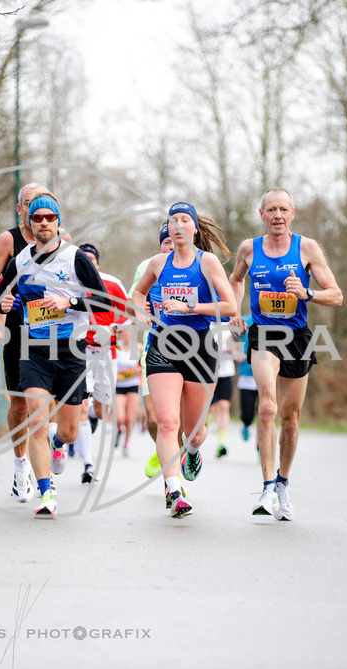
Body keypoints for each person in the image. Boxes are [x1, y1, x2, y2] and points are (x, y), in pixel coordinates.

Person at [228, 188, 343, 521]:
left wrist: (306, 293)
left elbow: (336, 296)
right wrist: (236, 310)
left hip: (297, 336)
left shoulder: (306, 248)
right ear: (261, 214)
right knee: (267, 407)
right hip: (263, 334)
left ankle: (282, 484)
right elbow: (236, 280)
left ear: (293, 213)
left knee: (290, 420)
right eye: (271, 210)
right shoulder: (249, 249)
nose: (277, 215)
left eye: (283, 209)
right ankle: (265, 487)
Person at [0, 194, 109, 518]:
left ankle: (58, 446)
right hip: (34, 350)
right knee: (36, 419)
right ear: (30, 224)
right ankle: (46, 491)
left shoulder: (75, 258)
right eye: (38, 218)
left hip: (72, 351)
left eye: (50, 217)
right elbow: (7, 295)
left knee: (68, 431)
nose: (44, 223)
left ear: (58, 221)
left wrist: (69, 304)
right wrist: (5, 304)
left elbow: (103, 302)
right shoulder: (20, 260)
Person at [133, 203, 236, 518]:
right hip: (164, 345)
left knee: (194, 431)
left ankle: (192, 452)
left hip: (201, 347)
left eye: (184, 219)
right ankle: (174, 490)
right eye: (172, 220)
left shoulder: (208, 262)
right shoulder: (157, 263)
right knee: (166, 422)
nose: (178, 224)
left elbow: (229, 307)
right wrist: (142, 315)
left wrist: (190, 308)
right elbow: (137, 294)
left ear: (194, 230)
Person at [0, 183, 71, 502]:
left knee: (48, 401)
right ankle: (20, 466)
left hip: (53, 330)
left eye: (46, 209)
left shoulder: (63, 240)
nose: (36, 213)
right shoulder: (8, 240)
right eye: (27, 205)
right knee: (20, 404)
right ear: (20, 209)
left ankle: (48, 451)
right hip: (17, 331)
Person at [132, 222, 180, 482]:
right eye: (166, 241)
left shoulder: (198, 264)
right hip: (155, 347)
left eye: (175, 240)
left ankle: (179, 453)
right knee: (155, 418)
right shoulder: (148, 266)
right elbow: (132, 303)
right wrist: (142, 310)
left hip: (193, 349)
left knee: (180, 421)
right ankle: (164, 450)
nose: (171, 246)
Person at [78, 242, 129, 482]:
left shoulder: (112, 284)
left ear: (98, 263)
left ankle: (91, 416)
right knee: (81, 405)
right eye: (83, 260)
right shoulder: (70, 284)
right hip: (78, 351)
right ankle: (88, 465)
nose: (88, 264)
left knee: (101, 409)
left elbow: (133, 313)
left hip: (107, 353)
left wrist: (114, 327)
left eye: (92, 260)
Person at [206, 324, 238, 459]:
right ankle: (208, 422)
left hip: (225, 374)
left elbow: (236, 352)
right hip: (207, 374)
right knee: (209, 408)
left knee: (224, 407)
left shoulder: (228, 327)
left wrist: (235, 352)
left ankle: (221, 443)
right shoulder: (205, 324)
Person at [113, 327, 140, 458]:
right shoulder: (117, 348)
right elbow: (113, 368)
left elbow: (141, 366)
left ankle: (126, 443)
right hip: (119, 385)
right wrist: (127, 372)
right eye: (124, 332)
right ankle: (119, 429)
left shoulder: (137, 348)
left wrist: (135, 371)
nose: (127, 335)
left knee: (130, 418)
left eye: (129, 332)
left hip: (133, 385)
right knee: (120, 418)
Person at [235, 315, 259, 456]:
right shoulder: (246, 320)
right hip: (247, 373)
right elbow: (230, 338)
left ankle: (261, 449)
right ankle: (246, 424)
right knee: (248, 413)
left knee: (265, 414)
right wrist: (235, 352)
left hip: (267, 373)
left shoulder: (274, 320)